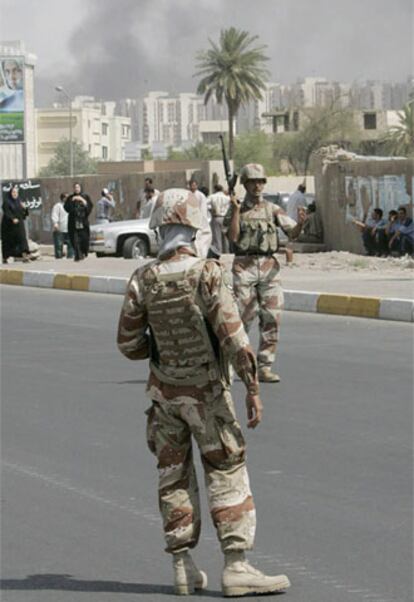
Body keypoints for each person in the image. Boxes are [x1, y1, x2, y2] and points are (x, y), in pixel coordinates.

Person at [117, 187, 291, 597]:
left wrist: (160, 351)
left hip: (164, 397)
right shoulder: (207, 273)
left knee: (172, 476)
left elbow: (127, 344)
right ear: (196, 227)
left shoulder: (143, 278)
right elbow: (234, 338)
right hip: (208, 394)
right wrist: (252, 389)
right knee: (227, 469)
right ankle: (236, 566)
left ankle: (183, 568)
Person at [224, 163, 306, 383]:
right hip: (244, 265)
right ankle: (234, 364)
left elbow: (293, 233)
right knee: (243, 317)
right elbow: (232, 237)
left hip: (269, 267)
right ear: (245, 184)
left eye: (260, 181)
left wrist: (301, 223)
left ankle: (264, 366)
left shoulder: (272, 209)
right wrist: (235, 210)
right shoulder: (237, 207)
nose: (257, 186)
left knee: (272, 317)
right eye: (252, 182)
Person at [1, 185, 31, 263]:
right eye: (13, 192)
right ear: (10, 193)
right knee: (8, 242)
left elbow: (25, 214)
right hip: (8, 227)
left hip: (19, 226)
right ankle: (5, 258)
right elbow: (6, 212)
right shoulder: (7, 202)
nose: (15, 194)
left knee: (22, 240)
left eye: (16, 192)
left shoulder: (19, 201)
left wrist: (25, 208)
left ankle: (25, 256)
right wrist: (12, 218)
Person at [64, 183, 93, 262]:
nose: (76, 189)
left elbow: (89, 207)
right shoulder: (70, 198)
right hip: (73, 223)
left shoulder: (85, 197)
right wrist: (72, 201)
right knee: (75, 239)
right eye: (75, 187)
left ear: (80, 188)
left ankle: (83, 252)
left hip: (83, 222)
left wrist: (82, 200)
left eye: (78, 187)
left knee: (84, 239)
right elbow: (66, 208)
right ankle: (78, 255)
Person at [207, 184, 231, 258]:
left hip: (216, 217)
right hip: (225, 218)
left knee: (217, 237)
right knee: (226, 237)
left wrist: (211, 209)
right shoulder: (227, 197)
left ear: (215, 189)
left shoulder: (212, 196)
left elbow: (205, 204)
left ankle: (218, 253)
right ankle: (227, 253)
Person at [51, 193, 74, 259]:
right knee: (59, 246)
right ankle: (59, 259)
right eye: (66, 197)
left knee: (71, 245)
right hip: (60, 229)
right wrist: (55, 223)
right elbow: (54, 215)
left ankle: (70, 258)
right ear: (63, 198)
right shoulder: (58, 206)